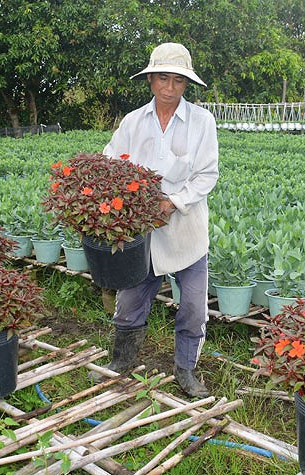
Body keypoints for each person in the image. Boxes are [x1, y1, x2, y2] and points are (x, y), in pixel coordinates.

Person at [98, 42, 219, 398]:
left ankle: (186, 371)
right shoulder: (134, 122)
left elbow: (207, 175)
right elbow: (111, 159)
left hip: (186, 232)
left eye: (178, 81)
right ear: (150, 79)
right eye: (162, 78)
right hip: (142, 235)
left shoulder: (201, 122)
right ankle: (122, 361)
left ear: (186, 86)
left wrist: (172, 202)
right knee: (130, 302)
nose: (169, 88)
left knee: (194, 307)